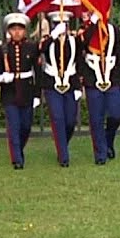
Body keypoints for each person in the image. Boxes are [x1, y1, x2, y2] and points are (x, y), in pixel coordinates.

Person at [0, 12, 39, 169]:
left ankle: (19, 149)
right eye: (13, 29)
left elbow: (37, 72)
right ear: (9, 31)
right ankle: (17, 159)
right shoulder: (2, 50)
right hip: (9, 93)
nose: (17, 32)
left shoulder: (32, 48)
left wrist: (37, 95)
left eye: (20, 29)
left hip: (26, 91)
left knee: (25, 126)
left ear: (25, 31)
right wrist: (2, 77)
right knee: (14, 125)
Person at [80, 12, 120, 165]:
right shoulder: (84, 32)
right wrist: (93, 25)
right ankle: (100, 153)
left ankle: (108, 140)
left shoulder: (113, 30)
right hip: (92, 79)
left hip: (112, 78)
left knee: (116, 114)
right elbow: (82, 46)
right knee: (96, 118)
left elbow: (119, 54)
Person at [38, 10, 81, 168]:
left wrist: (78, 86)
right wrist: (54, 35)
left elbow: (80, 62)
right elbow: (40, 49)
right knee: (58, 118)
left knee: (70, 120)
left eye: (64, 25)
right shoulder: (48, 40)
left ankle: (63, 142)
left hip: (70, 84)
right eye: (57, 24)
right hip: (52, 84)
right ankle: (63, 156)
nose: (61, 27)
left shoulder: (75, 40)